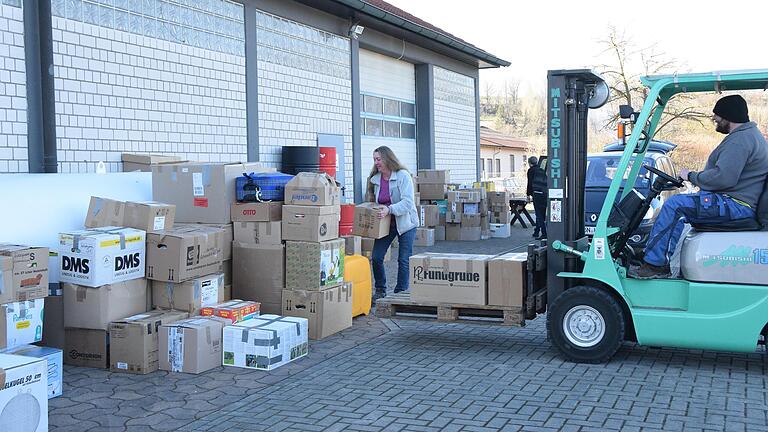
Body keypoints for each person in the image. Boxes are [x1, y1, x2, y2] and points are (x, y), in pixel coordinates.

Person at [631, 94, 768, 279]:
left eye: (717, 117)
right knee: (680, 204)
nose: (715, 120)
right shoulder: (749, 136)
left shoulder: (740, 140)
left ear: (728, 116)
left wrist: (691, 176)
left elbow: (723, 178)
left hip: (736, 206)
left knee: (675, 205)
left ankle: (655, 265)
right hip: (737, 203)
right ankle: (654, 253)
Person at [366, 146, 419, 300]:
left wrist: (389, 209)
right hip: (386, 224)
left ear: (388, 158)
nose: (376, 162)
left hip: (406, 223)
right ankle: (381, 290)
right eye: (374, 159)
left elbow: (408, 203)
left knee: (403, 259)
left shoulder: (403, 176)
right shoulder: (375, 179)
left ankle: (400, 292)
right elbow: (372, 202)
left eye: (379, 159)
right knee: (376, 257)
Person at [526, 156, 548, 239]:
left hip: (537, 194)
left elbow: (529, 183)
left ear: (529, 163)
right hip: (545, 193)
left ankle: (544, 233)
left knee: (539, 215)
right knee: (542, 214)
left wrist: (528, 195)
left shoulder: (531, 170)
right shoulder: (542, 169)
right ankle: (536, 231)